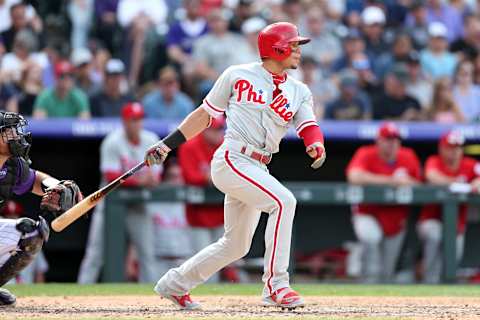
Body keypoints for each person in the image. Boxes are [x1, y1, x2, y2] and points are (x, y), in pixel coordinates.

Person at [144, 22, 326, 310]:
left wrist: (315, 143)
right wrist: (167, 144)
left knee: (236, 245)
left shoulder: (299, 90)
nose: (297, 51)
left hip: (259, 166)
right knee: (284, 201)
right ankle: (277, 285)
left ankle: (175, 284)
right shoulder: (238, 75)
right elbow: (204, 115)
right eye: (292, 45)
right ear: (275, 48)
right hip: (233, 159)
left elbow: (308, 125)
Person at [0, 111, 82, 305]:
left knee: (31, 232)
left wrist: (56, 186)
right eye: (8, 131)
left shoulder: (12, 166)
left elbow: (36, 179)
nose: (16, 135)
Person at [77, 102, 160, 283]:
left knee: (147, 253)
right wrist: (140, 180)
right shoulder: (112, 141)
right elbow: (111, 176)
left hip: (138, 204)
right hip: (109, 203)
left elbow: (156, 176)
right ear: (124, 121)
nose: (137, 123)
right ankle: (80, 291)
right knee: (95, 253)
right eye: (133, 120)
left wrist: (147, 180)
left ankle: (154, 298)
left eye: (139, 119)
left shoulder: (151, 139)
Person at [346, 122, 421, 283]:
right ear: (378, 140)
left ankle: (381, 302)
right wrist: (390, 181)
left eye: (395, 139)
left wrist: (408, 182)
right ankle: (364, 290)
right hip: (367, 213)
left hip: (396, 219)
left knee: (387, 272)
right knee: (371, 239)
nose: (392, 143)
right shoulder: (366, 153)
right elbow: (354, 176)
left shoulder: (407, 155)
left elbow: (419, 185)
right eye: (388, 139)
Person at [418, 131, 480, 283]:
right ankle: (429, 284)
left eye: (458, 148)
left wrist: (476, 183)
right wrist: (457, 184)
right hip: (431, 220)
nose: (454, 151)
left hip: (456, 225)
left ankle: (446, 296)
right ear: (442, 148)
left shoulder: (470, 164)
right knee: (435, 236)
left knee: (453, 260)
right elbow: (431, 176)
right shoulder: (434, 161)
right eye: (450, 147)